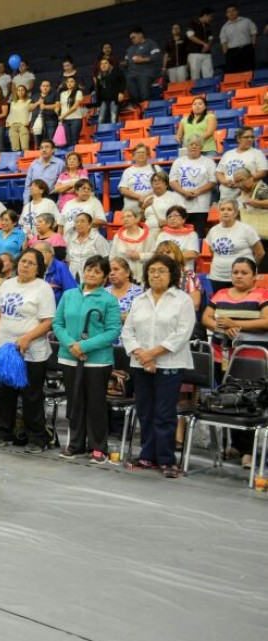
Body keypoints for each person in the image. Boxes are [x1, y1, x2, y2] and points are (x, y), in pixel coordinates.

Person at [120, 254, 196, 478]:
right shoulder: (139, 300)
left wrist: (151, 354)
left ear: (172, 274)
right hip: (140, 363)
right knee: (145, 411)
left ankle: (166, 459)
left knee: (164, 413)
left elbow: (181, 334)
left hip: (170, 364)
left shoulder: (182, 300)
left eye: (161, 270)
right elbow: (127, 331)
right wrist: (141, 354)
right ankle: (147, 456)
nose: (156, 274)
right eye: (152, 270)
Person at [53, 255, 123, 463]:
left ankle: (98, 447)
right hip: (69, 357)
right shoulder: (69, 295)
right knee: (74, 402)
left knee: (96, 404)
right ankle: (75, 445)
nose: (91, 274)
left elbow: (113, 331)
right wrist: (71, 345)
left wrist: (83, 346)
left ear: (104, 278)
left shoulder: (108, 300)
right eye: (89, 269)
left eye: (97, 272)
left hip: (97, 360)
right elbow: (58, 324)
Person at [201, 257, 268, 469]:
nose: (238, 276)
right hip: (223, 357)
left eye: (244, 272)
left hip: (252, 359)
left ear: (254, 275)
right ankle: (236, 447)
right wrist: (221, 328)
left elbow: (266, 321)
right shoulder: (221, 294)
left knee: (248, 404)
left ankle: (248, 452)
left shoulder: (262, 295)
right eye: (235, 272)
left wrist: (235, 324)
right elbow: (206, 317)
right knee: (229, 401)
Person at [0, 248, 57, 452]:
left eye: (31, 263)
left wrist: (27, 337)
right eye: (23, 261)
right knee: (5, 392)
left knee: (31, 395)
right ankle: (5, 430)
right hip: (5, 350)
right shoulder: (7, 284)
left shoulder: (43, 288)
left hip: (31, 352)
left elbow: (48, 322)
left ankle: (36, 436)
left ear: (39, 268)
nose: (25, 265)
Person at [205, 198, 264, 292]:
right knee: (221, 304)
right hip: (217, 277)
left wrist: (250, 268)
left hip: (242, 278)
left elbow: (260, 252)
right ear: (219, 213)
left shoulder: (246, 229)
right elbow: (212, 251)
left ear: (236, 213)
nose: (225, 212)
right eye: (222, 209)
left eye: (229, 209)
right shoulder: (213, 230)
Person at [169, 134, 217, 233]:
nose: (194, 146)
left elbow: (212, 181)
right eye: (191, 144)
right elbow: (172, 181)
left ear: (201, 147)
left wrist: (197, 192)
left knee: (198, 235)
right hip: (181, 206)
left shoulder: (209, 162)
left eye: (197, 144)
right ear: (187, 146)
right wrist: (184, 192)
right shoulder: (178, 162)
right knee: (181, 234)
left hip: (200, 207)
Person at [216, 126, 268, 202]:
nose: (250, 139)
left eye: (252, 137)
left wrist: (243, 182)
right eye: (246, 137)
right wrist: (225, 182)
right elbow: (219, 172)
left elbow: (263, 171)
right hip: (226, 194)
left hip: (247, 194)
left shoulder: (257, 153)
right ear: (238, 139)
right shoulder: (228, 154)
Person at [110, 209, 158, 282]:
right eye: (123, 217)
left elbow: (155, 255)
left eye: (128, 216)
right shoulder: (117, 236)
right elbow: (112, 257)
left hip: (142, 276)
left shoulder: (147, 235)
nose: (125, 219)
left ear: (137, 219)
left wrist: (139, 256)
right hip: (122, 277)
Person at [154, 206, 201, 273]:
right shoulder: (162, 235)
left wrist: (169, 257)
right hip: (165, 272)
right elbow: (157, 254)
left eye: (176, 215)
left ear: (183, 219)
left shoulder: (192, 234)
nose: (172, 218)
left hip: (185, 272)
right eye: (169, 217)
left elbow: (192, 254)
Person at [124, 26, 162, 109]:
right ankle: (137, 115)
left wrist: (143, 60)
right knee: (133, 97)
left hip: (145, 73)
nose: (132, 39)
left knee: (144, 95)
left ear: (140, 34)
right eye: (131, 38)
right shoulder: (130, 48)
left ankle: (147, 113)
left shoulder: (150, 43)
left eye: (133, 37)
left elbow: (156, 56)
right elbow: (126, 60)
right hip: (131, 75)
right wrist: (124, 63)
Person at [67, 212, 112, 279]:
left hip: (92, 277)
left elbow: (106, 259)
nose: (79, 224)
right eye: (77, 222)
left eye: (82, 221)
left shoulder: (98, 239)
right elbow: (68, 260)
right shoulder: (71, 240)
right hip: (72, 277)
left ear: (90, 224)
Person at [219, 4, 257, 73]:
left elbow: (253, 32)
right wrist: (227, 54)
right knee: (235, 72)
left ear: (237, 11)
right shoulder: (224, 27)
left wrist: (253, 45)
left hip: (247, 49)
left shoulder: (246, 21)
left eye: (233, 10)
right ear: (226, 14)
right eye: (229, 12)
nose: (231, 13)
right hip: (233, 52)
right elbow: (223, 42)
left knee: (249, 71)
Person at [118, 145, 156, 214]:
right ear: (133, 156)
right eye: (138, 153)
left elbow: (163, 186)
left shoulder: (156, 169)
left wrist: (146, 198)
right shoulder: (127, 171)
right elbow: (123, 190)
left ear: (148, 155)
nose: (141, 154)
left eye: (143, 152)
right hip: (131, 212)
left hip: (152, 208)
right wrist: (139, 197)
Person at [186, 7, 216, 80]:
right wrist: (204, 44)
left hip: (207, 53)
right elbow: (190, 36)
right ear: (205, 15)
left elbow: (211, 38)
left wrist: (208, 45)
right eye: (211, 16)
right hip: (195, 53)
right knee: (195, 75)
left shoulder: (208, 26)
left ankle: (209, 90)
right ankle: (197, 91)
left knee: (209, 74)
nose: (212, 19)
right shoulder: (193, 23)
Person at [94, 57, 126, 124]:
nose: (103, 65)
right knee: (100, 120)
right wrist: (98, 104)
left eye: (106, 63)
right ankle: (101, 134)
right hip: (104, 101)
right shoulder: (99, 76)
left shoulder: (116, 72)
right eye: (101, 64)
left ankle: (114, 134)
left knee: (113, 119)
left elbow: (123, 82)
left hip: (114, 99)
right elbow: (98, 90)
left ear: (109, 65)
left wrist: (121, 92)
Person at [57, 76, 85, 148]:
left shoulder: (78, 92)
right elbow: (60, 105)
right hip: (64, 120)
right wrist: (57, 109)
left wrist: (63, 115)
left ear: (75, 83)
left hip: (75, 119)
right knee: (65, 141)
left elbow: (75, 107)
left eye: (72, 81)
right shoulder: (62, 93)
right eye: (68, 82)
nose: (69, 83)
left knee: (74, 142)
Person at [7, 84, 33, 151]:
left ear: (25, 92)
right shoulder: (13, 103)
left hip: (23, 125)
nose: (20, 91)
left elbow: (31, 113)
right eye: (19, 90)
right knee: (15, 148)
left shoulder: (29, 101)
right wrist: (8, 122)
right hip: (13, 125)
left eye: (22, 90)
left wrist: (29, 122)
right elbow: (10, 113)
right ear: (16, 92)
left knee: (25, 147)